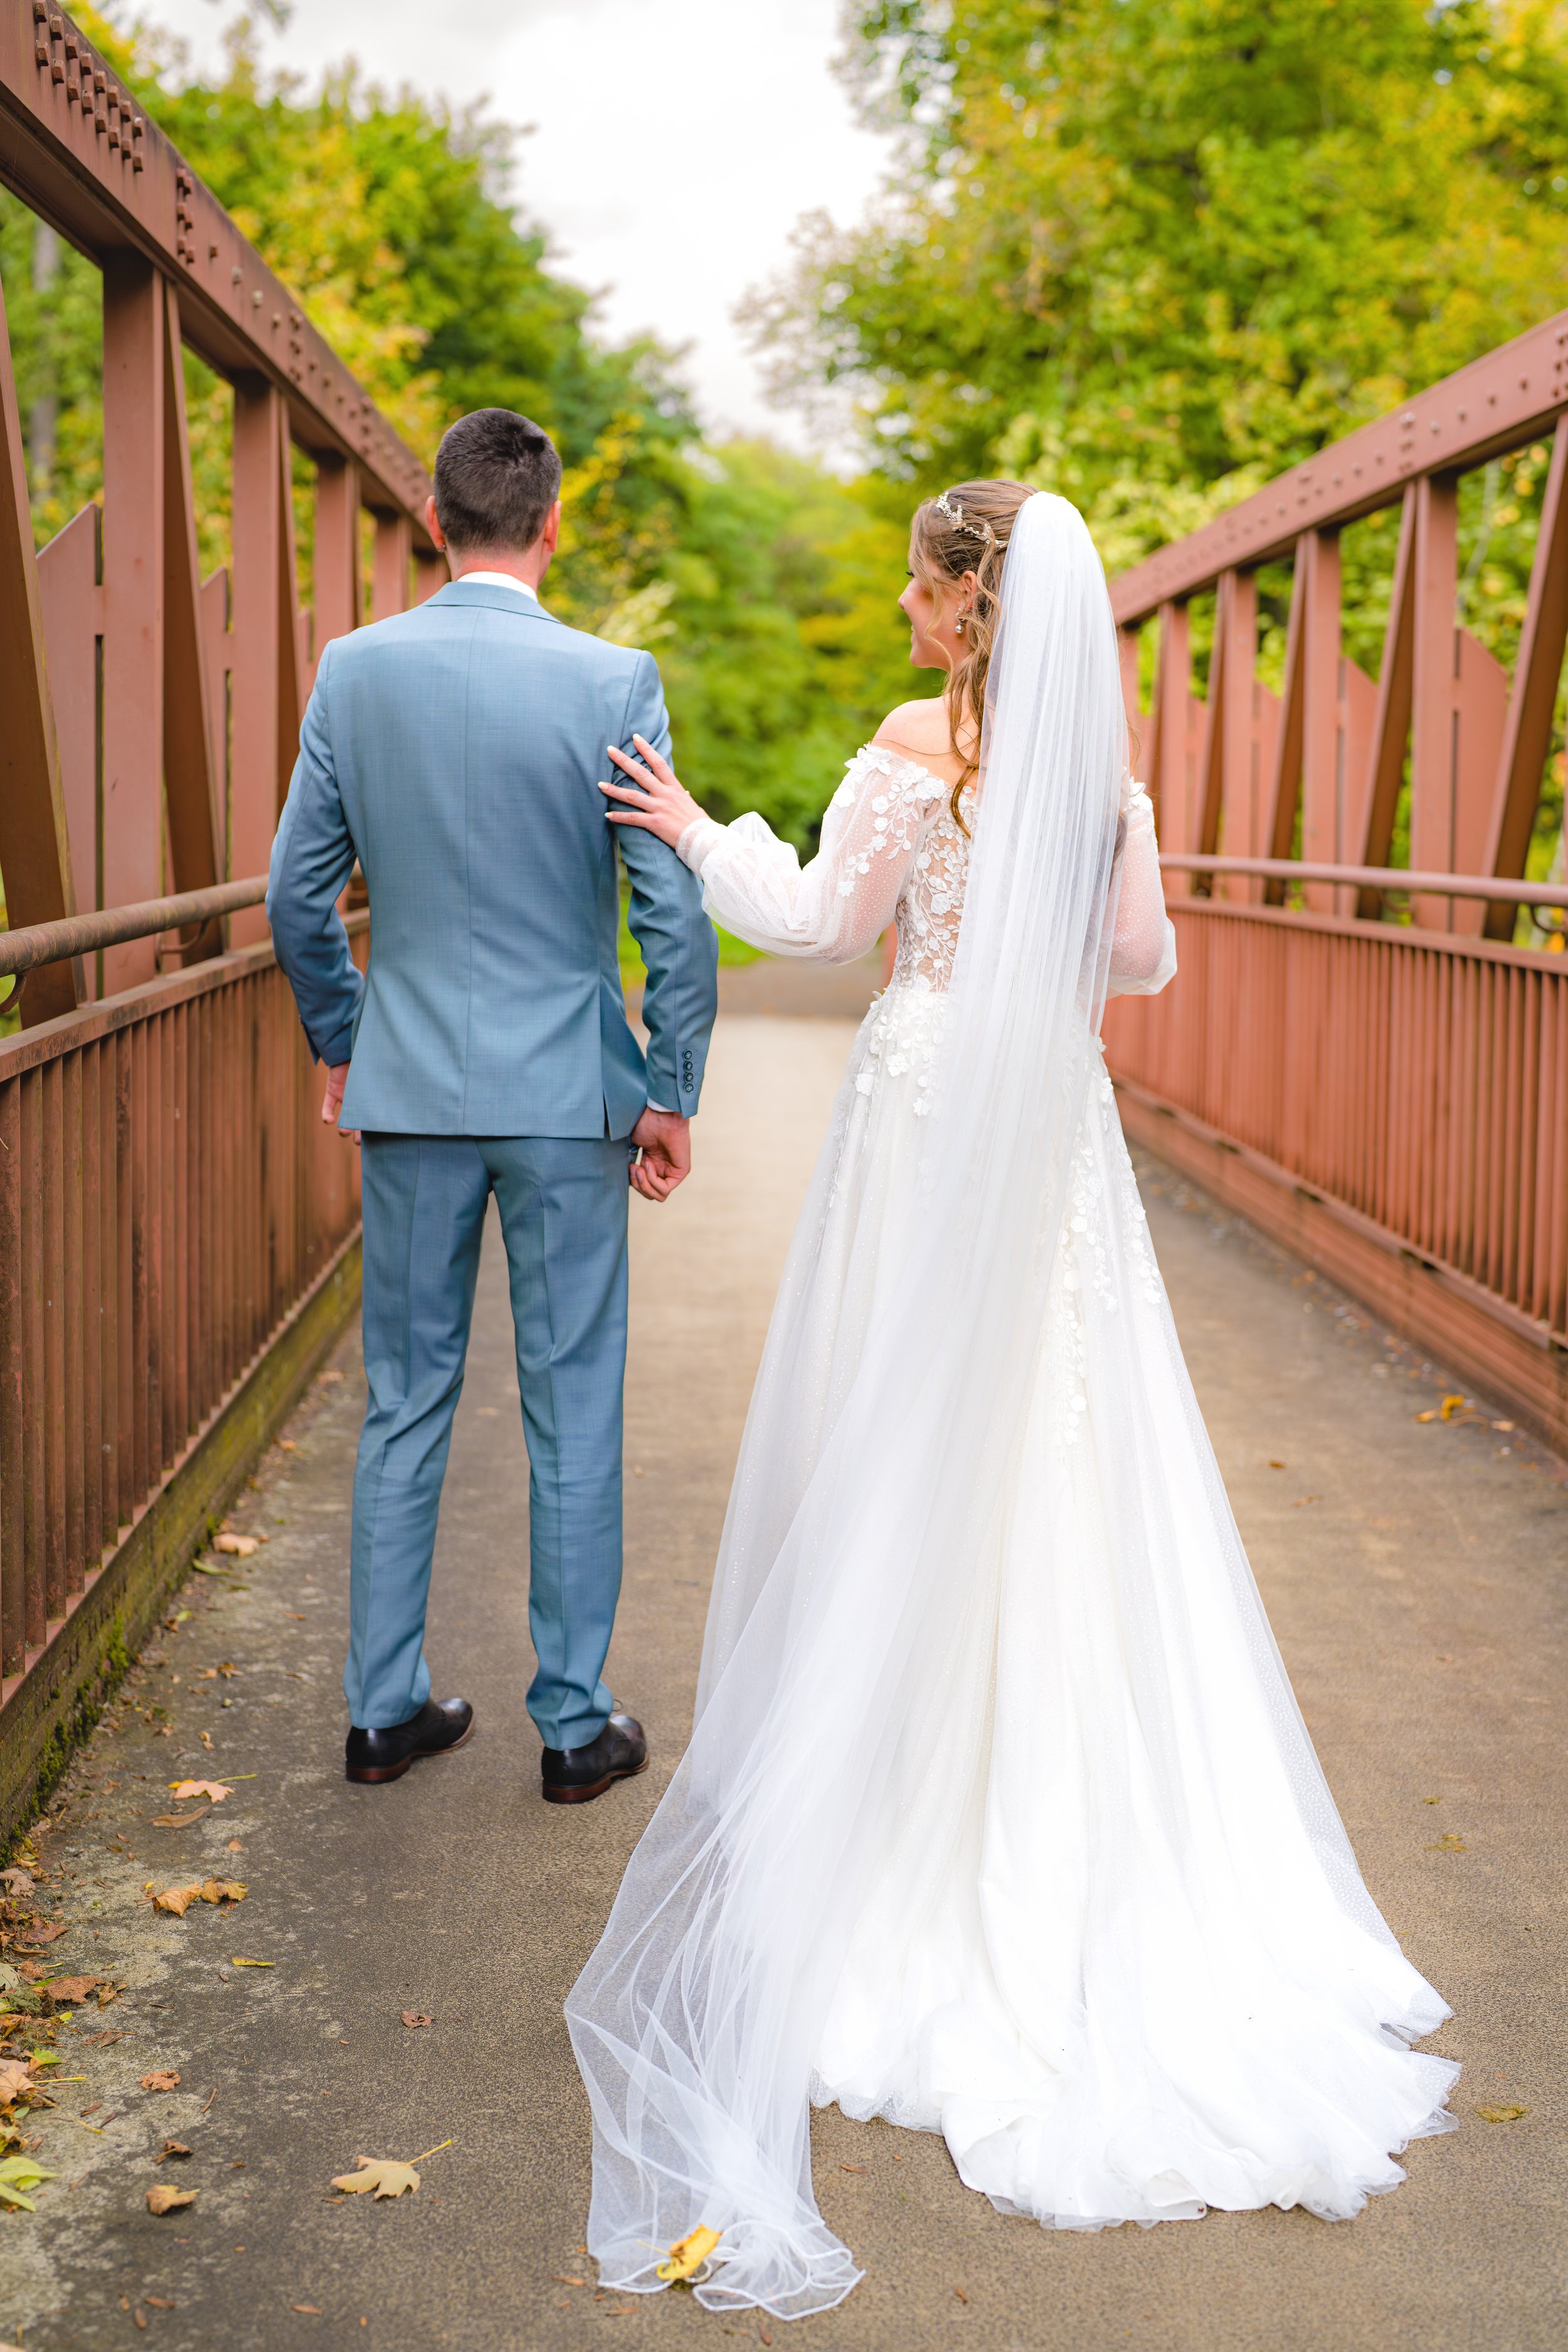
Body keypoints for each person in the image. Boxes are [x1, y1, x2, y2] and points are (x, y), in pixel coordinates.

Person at [566, 484, 1458, 2318]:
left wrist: (690, 824)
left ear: (976, 608)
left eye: (922, 577)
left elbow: (820, 924)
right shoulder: (1096, 775)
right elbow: (1142, 963)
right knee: (1068, 1455)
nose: (902, 602)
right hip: (1047, 1111)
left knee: (892, 1441)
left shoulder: (908, 748)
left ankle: (896, 1809)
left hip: (918, 1103)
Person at [266, 408, 718, 1801]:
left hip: (407, 1095)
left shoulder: (354, 671)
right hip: (566, 1098)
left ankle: (382, 1712)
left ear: (436, 519)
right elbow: (670, 913)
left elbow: (296, 896)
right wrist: (669, 1086)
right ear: (551, 522)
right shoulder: (610, 680)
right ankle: (574, 1729)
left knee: (404, 1400)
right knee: (571, 1402)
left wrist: (351, 1038)